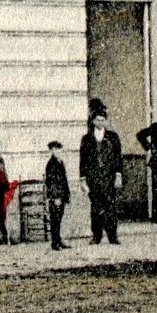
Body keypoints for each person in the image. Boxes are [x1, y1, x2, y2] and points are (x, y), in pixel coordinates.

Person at [79, 104, 123, 245]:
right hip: (93, 179)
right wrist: (83, 180)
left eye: (103, 120)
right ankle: (96, 235)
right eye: (97, 120)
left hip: (109, 178)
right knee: (96, 208)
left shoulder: (113, 137)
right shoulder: (86, 139)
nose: (100, 122)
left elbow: (118, 158)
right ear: (93, 121)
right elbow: (83, 161)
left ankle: (113, 236)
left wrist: (118, 175)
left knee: (110, 207)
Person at [44, 140, 71, 250]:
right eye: (54, 149)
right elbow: (51, 183)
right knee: (55, 219)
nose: (57, 151)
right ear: (51, 151)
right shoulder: (51, 164)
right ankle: (55, 243)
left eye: (58, 149)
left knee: (59, 219)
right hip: (56, 197)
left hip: (62, 196)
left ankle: (58, 240)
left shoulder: (61, 162)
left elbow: (64, 180)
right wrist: (55, 197)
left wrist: (67, 194)